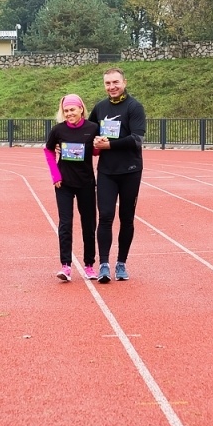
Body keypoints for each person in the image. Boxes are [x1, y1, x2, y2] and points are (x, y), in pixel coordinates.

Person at [89, 68, 147, 282]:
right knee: (105, 216)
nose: (112, 87)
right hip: (106, 171)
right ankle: (103, 264)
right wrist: (62, 144)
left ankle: (121, 263)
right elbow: (88, 132)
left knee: (126, 218)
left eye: (115, 82)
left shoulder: (134, 107)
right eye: (107, 83)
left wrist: (109, 145)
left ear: (124, 82)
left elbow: (137, 139)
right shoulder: (100, 107)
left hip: (130, 171)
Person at [44, 94, 100, 281]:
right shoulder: (58, 130)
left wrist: (99, 146)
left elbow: (95, 151)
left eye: (72, 110)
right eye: (66, 111)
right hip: (64, 184)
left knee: (89, 224)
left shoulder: (92, 128)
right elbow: (48, 151)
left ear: (81, 109)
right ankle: (65, 266)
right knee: (65, 224)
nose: (69, 113)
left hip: (85, 182)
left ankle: (89, 265)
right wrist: (55, 175)